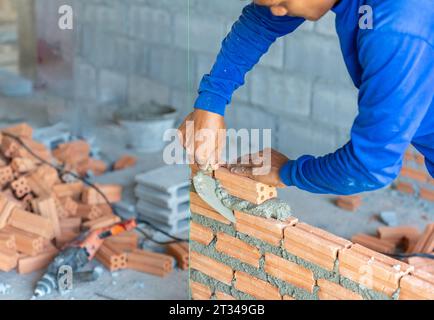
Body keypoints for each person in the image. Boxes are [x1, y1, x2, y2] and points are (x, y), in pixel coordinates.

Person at [178, 0, 434, 195]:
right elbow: (261, 22)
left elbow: (370, 166)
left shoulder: (398, 27)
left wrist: (286, 172)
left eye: (282, 2)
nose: (277, 10)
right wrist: (210, 103)